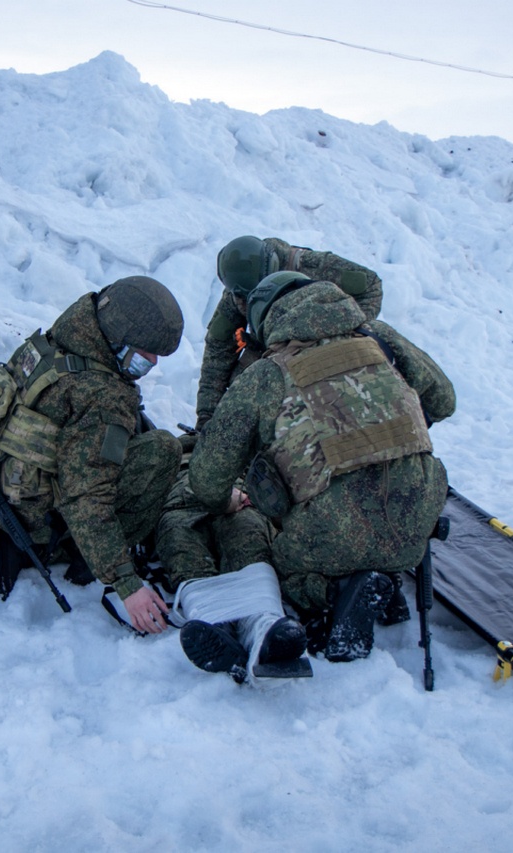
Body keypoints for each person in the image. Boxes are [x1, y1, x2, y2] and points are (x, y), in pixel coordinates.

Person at [187, 271, 456, 662]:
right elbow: (444, 401)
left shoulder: (266, 374)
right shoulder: (381, 338)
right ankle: (385, 578)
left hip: (330, 532)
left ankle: (334, 591)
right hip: (420, 511)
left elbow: (207, 479)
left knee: (283, 569)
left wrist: (230, 499)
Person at [0, 276, 184, 635]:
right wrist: (126, 583)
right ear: (116, 339)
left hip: (1, 489)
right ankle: (72, 552)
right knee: (163, 450)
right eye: (144, 356)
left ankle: (12, 539)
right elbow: (85, 496)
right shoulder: (102, 395)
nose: (153, 363)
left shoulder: (59, 341)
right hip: (46, 520)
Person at [195, 235, 384, 431]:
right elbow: (218, 350)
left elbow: (371, 287)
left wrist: (345, 327)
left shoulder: (311, 266)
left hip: (322, 337)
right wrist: (206, 415)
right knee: (243, 390)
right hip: (270, 345)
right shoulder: (240, 292)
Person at [155, 456, 310, 682]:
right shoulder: (169, 452)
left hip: (238, 498)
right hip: (179, 505)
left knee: (249, 541)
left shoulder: (233, 447)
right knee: (183, 550)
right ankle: (216, 626)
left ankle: (263, 628)